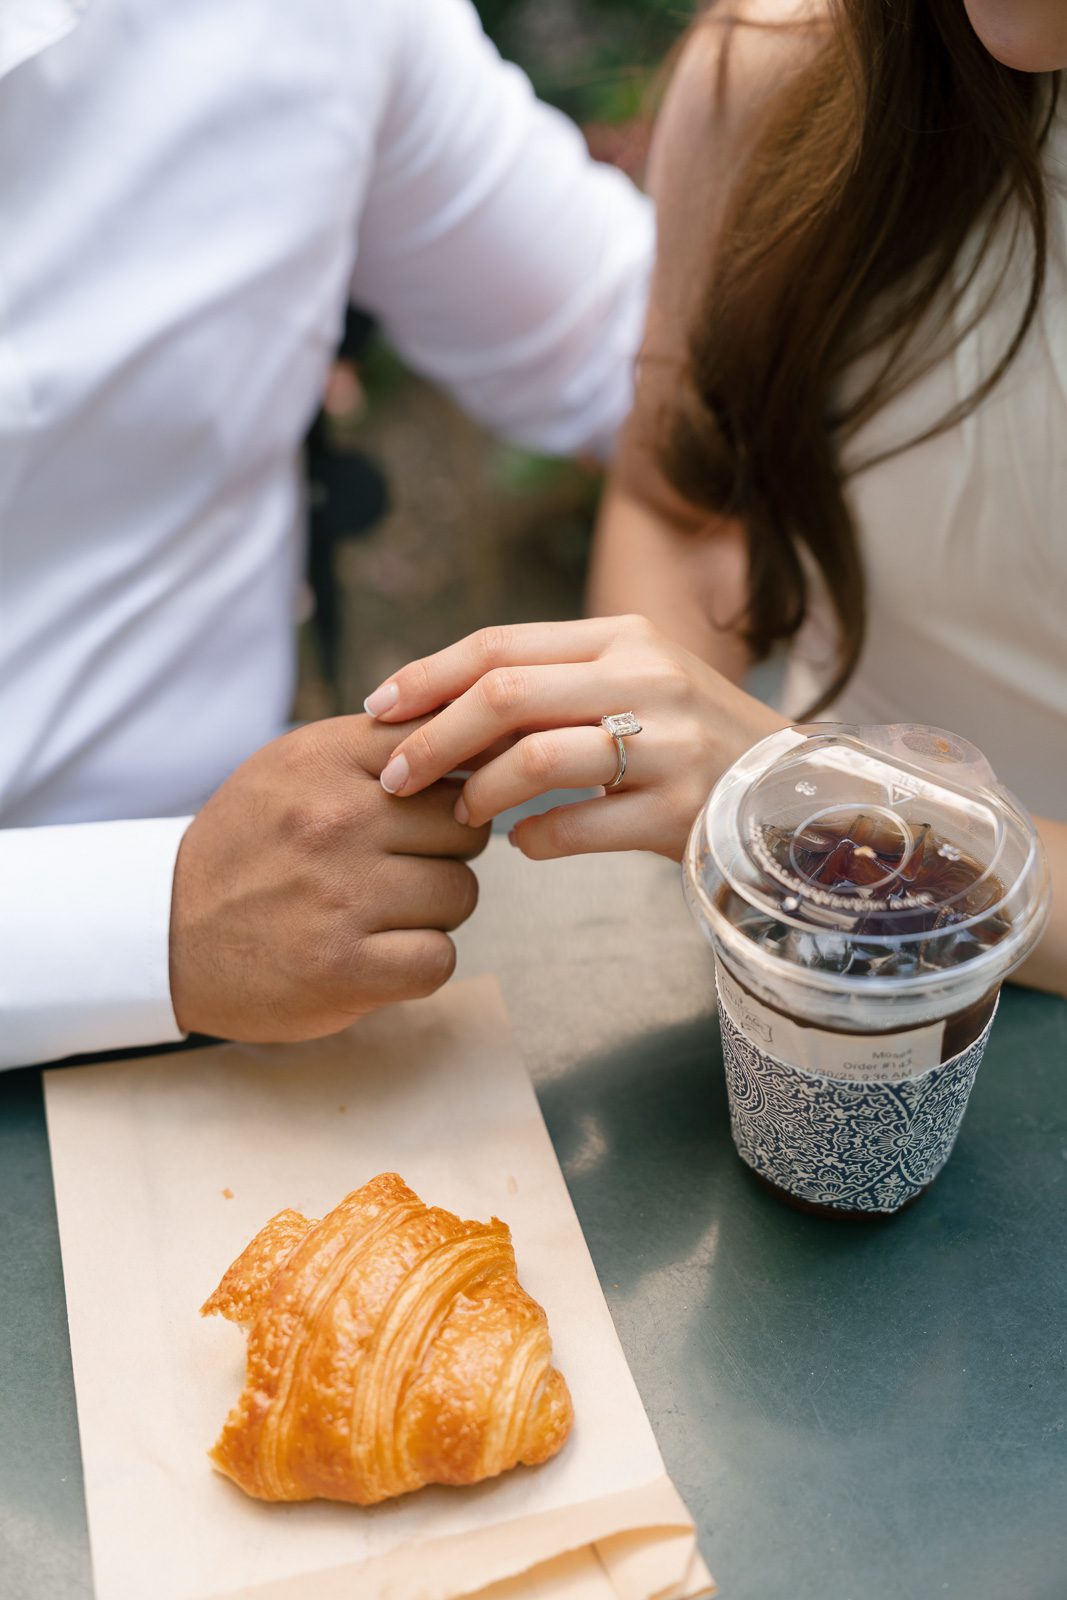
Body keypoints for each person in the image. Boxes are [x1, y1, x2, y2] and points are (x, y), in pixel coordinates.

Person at [0, 0, 654, 1068]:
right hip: (230, 951)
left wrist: (650, 729)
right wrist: (152, 920)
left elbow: (653, 363)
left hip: (262, 1026)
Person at [366, 0, 1067, 996]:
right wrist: (663, 751)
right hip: (810, 975)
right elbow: (683, 501)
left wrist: (809, 799)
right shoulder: (788, 75)